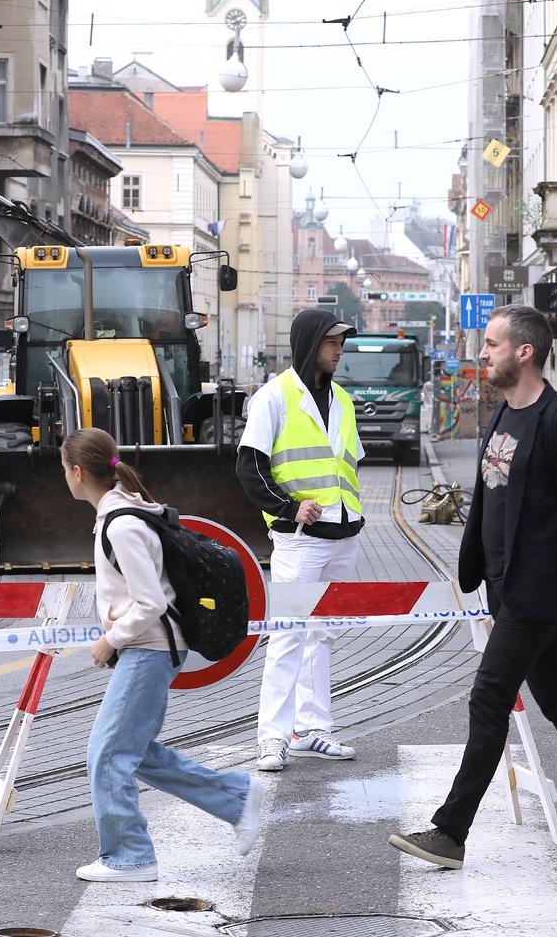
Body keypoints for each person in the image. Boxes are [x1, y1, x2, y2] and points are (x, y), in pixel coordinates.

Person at [390, 303, 557, 869]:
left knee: (487, 698)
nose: (483, 353)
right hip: (506, 588)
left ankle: (450, 832)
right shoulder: (504, 415)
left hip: (536, 591)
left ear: (524, 352)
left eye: (492, 345)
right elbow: (490, 502)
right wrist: (476, 575)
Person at [62, 427, 263, 882]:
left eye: (63, 469)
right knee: (134, 751)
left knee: (107, 752)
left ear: (77, 473)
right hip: (151, 647)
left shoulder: (123, 523)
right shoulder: (120, 514)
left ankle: (131, 856)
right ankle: (235, 796)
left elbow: (150, 601)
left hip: (149, 648)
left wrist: (110, 640)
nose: (65, 477)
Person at [237, 308, 365, 771]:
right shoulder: (274, 397)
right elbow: (249, 467)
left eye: (341, 342)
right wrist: (290, 508)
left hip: (343, 535)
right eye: (333, 342)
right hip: (300, 538)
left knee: (323, 635)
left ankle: (314, 729)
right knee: (288, 636)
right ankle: (272, 737)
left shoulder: (344, 401)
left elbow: (348, 465)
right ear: (310, 344)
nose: (340, 349)